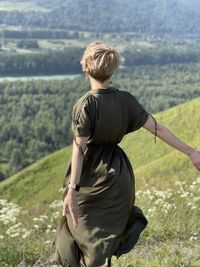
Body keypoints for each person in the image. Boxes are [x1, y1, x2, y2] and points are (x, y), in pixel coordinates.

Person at [49, 42, 200, 267]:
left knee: (81, 234)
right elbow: (158, 128)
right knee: (103, 238)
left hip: (90, 175)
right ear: (113, 69)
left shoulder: (85, 104)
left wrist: (72, 189)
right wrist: (191, 152)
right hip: (119, 175)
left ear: (86, 68)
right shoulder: (126, 100)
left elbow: (79, 149)